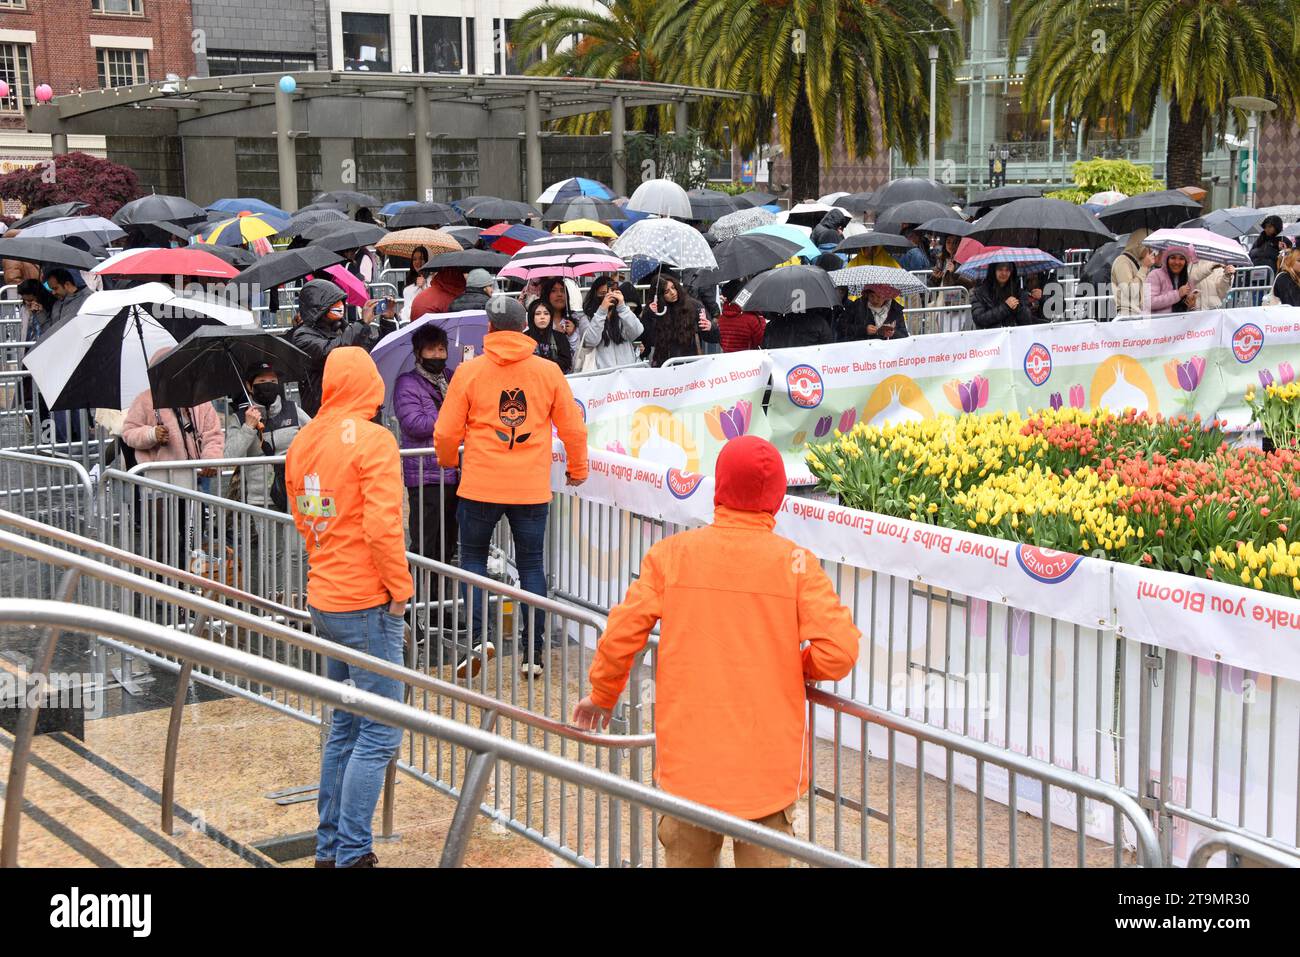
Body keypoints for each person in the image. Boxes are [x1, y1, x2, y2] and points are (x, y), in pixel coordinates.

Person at [573, 436, 860, 868]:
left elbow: (622, 633)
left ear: (718, 488)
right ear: (778, 497)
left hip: (690, 766)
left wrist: (602, 694)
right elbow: (840, 651)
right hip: (767, 770)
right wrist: (797, 666)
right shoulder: (797, 564)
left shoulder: (672, 555)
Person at [285, 346, 414, 869]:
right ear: (370, 385)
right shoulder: (373, 441)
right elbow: (385, 528)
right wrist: (400, 591)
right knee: (380, 728)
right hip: (366, 601)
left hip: (325, 595)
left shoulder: (303, 441)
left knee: (344, 724)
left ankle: (330, 848)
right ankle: (354, 852)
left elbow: (299, 514)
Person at [434, 295, 589, 677]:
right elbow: (572, 426)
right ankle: (533, 654)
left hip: (480, 484)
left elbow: (445, 432)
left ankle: (479, 639)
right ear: (523, 327)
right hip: (530, 487)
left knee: (472, 562)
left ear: (488, 329)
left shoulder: (469, 373)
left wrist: (449, 461)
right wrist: (578, 467)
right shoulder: (548, 371)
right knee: (532, 567)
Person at [393, 323, 459, 565]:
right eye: (431, 350)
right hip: (425, 474)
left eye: (442, 349)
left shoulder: (453, 377)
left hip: (454, 472)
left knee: (449, 543)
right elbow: (415, 424)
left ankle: (441, 600)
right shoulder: (406, 383)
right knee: (425, 544)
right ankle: (420, 599)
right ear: (419, 353)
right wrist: (452, 410)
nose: (437, 355)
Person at [287, 278, 387, 417]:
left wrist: (387, 320)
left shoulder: (343, 328)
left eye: (340, 301)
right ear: (318, 307)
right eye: (333, 303)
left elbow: (374, 349)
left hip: (352, 406)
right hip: (323, 410)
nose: (339, 306)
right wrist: (362, 323)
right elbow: (332, 353)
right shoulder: (302, 336)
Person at [225, 361, 311, 511]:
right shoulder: (238, 418)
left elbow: (318, 437)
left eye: (273, 381)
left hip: (298, 495)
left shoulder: (293, 410)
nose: (268, 385)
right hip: (262, 501)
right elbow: (229, 457)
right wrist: (248, 427)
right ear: (249, 386)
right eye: (262, 381)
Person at [642, 275, 716, 366]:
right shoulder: (654, 310)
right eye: (666, 291)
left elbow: (713, 338)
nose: (673, 293)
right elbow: (649, 340)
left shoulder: (694, 306)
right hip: (664, 366)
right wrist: (650, 316)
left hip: (689, 364)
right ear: (660, 295)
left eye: (673, 287)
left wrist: (710, 327)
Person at [577, 281, 643, 369]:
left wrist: (622, 308)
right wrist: (601, 311)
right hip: (602, 375)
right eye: (603, 294)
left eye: (611, 293)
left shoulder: (622, 314)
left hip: (626, 374)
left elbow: (637, 332)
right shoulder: (587, 318)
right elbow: (591, 341)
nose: (608, 297)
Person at [971, 262, 1035, 328]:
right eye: (1000, 269)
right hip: (991, 335)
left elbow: (1026, 320)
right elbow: (979, 319)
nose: (1004, 273)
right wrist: (1005, 307)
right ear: (993, 271)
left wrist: (1018, 308)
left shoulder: (1017, 289)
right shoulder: (980, 292)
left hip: (1013, 335)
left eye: (1007, 270)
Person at [1146, 246, 1204, 314]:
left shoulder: (1188, 278)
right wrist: (1177, 294)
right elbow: (1148, 303)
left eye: (1181, 258)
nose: (1177, 262)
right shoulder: (1154, 275)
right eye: (1173, 257)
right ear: (1167, 259)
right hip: (1160, 323)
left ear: (1186, 262)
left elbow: (1189, 312)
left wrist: (1192, 306)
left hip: (1182, 323)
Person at [536, 276, 584, 353]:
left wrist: (572, 335)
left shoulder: (574, 319)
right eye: (554, 291)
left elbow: (578, 354)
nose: (559, 294)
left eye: (562, 291)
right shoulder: (539, 319)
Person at [717, 279, 765, 353]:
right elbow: (760, 341)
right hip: (747, 361)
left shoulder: (721, 319)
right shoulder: (752, 319)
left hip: (726, 360)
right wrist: (761, 321)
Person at [525, 299, 573, 373]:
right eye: (538, 314)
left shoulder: (560, 337)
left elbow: (566, 363)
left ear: (551, 317)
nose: (542, 317)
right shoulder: (523, 338)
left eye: (546, 313)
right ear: (531, 317)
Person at [1111, 243, 1158, 318]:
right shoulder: (1122, 261)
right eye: (1149, 248)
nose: (1152, 252)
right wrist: (1144, 267)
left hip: (1142, 315)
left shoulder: (1139, 263)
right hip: (1129, 316)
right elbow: (1131, 292)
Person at [400, 246, 430, 323]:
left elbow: (433, 301)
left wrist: (423, 287)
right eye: (414, 259)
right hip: (408, 323)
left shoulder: (432, 280)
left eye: (421, 259)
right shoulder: (410, 281)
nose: (417, 262)